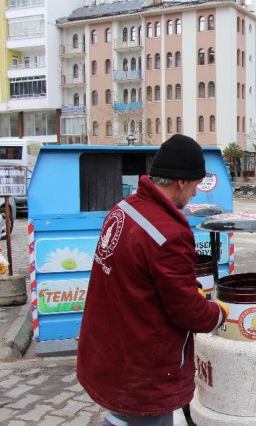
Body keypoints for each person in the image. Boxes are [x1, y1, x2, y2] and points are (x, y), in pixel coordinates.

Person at [77, 134, 229, 425]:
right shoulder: (167, 232)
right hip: (143, 364)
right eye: (196, 184)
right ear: (181, 182)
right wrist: (218, 313)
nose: (196, 193)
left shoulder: (122, 210)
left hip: (111, 351)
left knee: (122, 418)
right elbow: (187, 310)